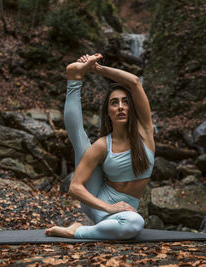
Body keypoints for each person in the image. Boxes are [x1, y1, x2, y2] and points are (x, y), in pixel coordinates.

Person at [45, 53, 155, 240]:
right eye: (114, 103)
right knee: (81, 141)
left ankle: (80, 230)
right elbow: (75, 188)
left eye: (125, 101)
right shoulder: (103, 145)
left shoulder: (145, 133)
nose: (120, 106)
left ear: (132, 108)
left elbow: (134, 82)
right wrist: (108, 207)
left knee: (132, 221)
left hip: (125, 213)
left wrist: (97, 69)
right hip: (98, 203)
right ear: (108, 112)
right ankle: (74, 79)